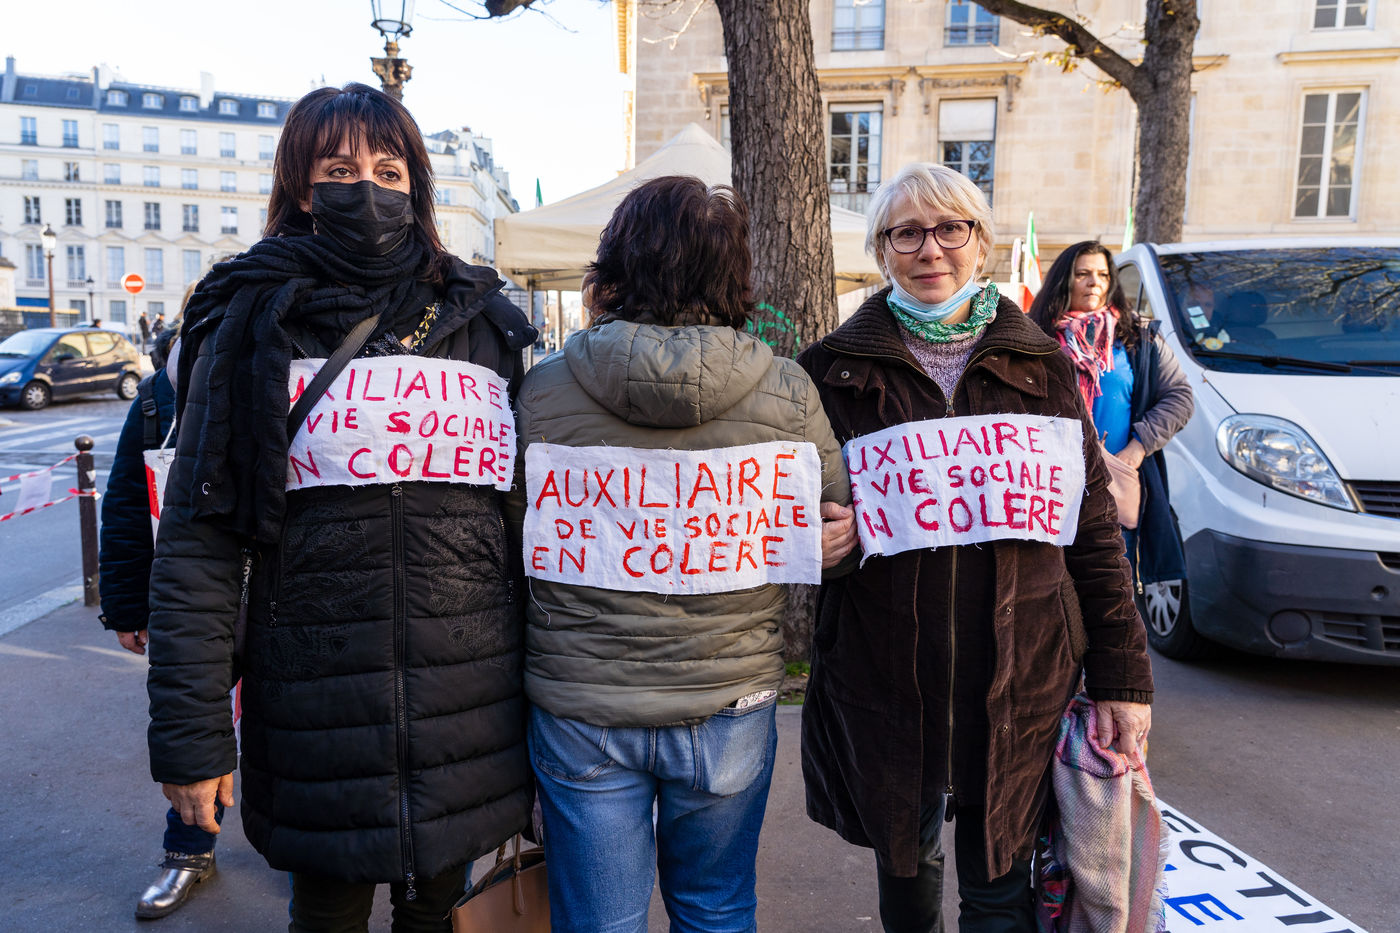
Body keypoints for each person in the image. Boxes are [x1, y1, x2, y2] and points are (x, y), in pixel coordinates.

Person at [145, 83, 536, 932]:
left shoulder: (483, 322)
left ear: (417, 187)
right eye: (340, 168)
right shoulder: (251, 322)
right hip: (315, 713)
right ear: (300, 186)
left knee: (443, 916)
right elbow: (199, 548)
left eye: (389, 170)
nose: (368, 187)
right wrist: (192, 738)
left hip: (469, 711)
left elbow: (526, 530)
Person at [797, 163, 1154, 932]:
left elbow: (1094, 537)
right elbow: (793, 518)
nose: (931, 249)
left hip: (1021, 680)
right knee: (908, 870)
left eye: (950, 228)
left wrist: (1123, 679)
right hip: (888, 679)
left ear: (981, 242)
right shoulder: (826, 371)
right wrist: (824, 539)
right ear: (881, 250)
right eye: (907, 233)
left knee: (1000, 893)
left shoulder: (1045, 365)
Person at [505, 175, 857, 932]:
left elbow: (507, 535)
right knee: (716, 909)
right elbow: (835, 530)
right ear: (733, 276)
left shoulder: (544, 391)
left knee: (601, 923)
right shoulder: (788, 391)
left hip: (582, 703)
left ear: (614, 268)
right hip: (729, 699)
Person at [98, 328, 220, 920]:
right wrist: (126, 606)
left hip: (281, 583)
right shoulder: (158, 395)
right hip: (189, 588)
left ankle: (312, 855)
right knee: (191, 719)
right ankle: (189, 849)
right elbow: (125, 504)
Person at [1028, 240, 1194, 584]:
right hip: (1047, 488)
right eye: (1083, 274)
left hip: (1114, 484)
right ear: (1063, 280)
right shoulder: (1032, 338)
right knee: (1050, 589)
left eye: (1103, 275)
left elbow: (1179, 397)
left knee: (1113, 588)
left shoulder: (1138, 336)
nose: (1094, 282)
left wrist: (1136, 450)